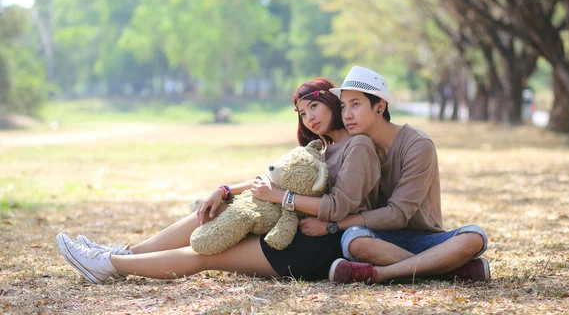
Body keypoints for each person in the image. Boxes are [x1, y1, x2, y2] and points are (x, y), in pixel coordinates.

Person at [55, 78, 380, 284]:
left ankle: (110, 265)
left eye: (314, 106)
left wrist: (281, 199)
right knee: (219, 211)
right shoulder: (324, 148)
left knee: (209, 254)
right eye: (302, 113)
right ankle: (124, 254)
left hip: (313, 248)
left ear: (331, 103)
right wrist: (225, 190)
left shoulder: (358, 146)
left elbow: (338, 207)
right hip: (292, 229)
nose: (310, 117)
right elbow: (274, 180)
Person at [299, 66, 489, 284]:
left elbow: (398, 214)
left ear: (380, 106)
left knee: (474, 236)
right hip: (379, 238)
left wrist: (331, 226)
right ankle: (446, 270)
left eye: (356, 105)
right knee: (354, 241)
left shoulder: (417, 144)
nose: (347, 114)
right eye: (343, 106)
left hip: (424, 237)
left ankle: (381, 274)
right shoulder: (358, 148)